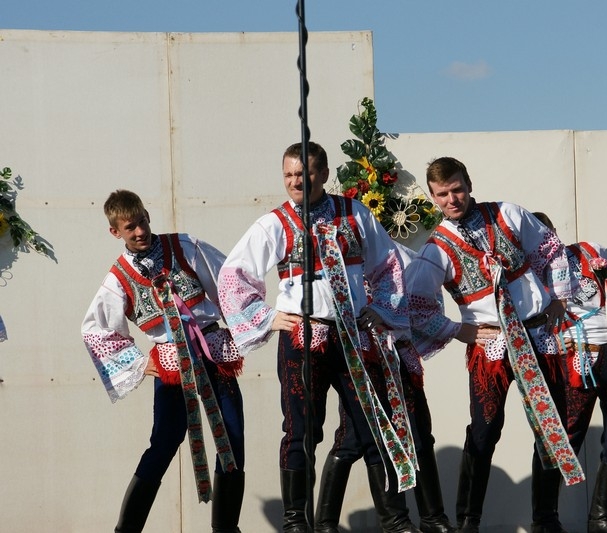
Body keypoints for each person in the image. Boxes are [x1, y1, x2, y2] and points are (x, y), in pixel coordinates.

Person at [217, 141, 418, 533]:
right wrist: (268, 317)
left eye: (304, 173)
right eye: (289, 175)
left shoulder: (354, 213)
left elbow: (389, 264)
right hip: (303, 338)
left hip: (353, 335)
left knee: (375, 425)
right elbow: (233, 275)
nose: (296, 182)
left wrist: (381, 309)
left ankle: (396, 521)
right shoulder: (274, 224)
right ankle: (296, 521)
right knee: (301, 431)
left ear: (323, 174)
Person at [404, 156, 585, 533]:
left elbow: (551, 249)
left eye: (456, 189)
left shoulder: (507, 214)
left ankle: (546, 519)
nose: (451, 199)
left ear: (468, 184)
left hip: (537, 335)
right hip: (493, 346)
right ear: (434, 197)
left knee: (550, 425)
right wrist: (457, 330)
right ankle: (469, 521)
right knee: (485, 430)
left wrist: (560, 297)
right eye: (442, 194)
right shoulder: (437, 247)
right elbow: (416, 304)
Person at [81, 189, 246, 533]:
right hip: (171, 362)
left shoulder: (183, 246)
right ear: (115, 232)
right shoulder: (118, 278)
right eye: (130, 227)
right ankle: (126, 530)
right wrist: (139, 364)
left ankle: (226, 529)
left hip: (211, 348)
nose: (140, 231)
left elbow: (228, 279)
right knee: (165, 441)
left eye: (142, 221)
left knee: (231, 436)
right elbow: (95, 329)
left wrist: (244, 324)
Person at [314, 244, 455, 533]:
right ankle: (330, 524)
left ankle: (432, 517)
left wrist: (396, 322)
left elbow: (421, 302)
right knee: (355, 438)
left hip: (397, 353)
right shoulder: (342, 252)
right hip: (364, 356)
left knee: (418, 433)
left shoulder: (403, 254)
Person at [533, 212, 607, 533]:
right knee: (563, 437)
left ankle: (601, 519)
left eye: (548, 234)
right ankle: (544, 520)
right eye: (536, 239)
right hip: (572, 359)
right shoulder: (528, 276)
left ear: (556, 232)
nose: (545, 243)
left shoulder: (589, 251)